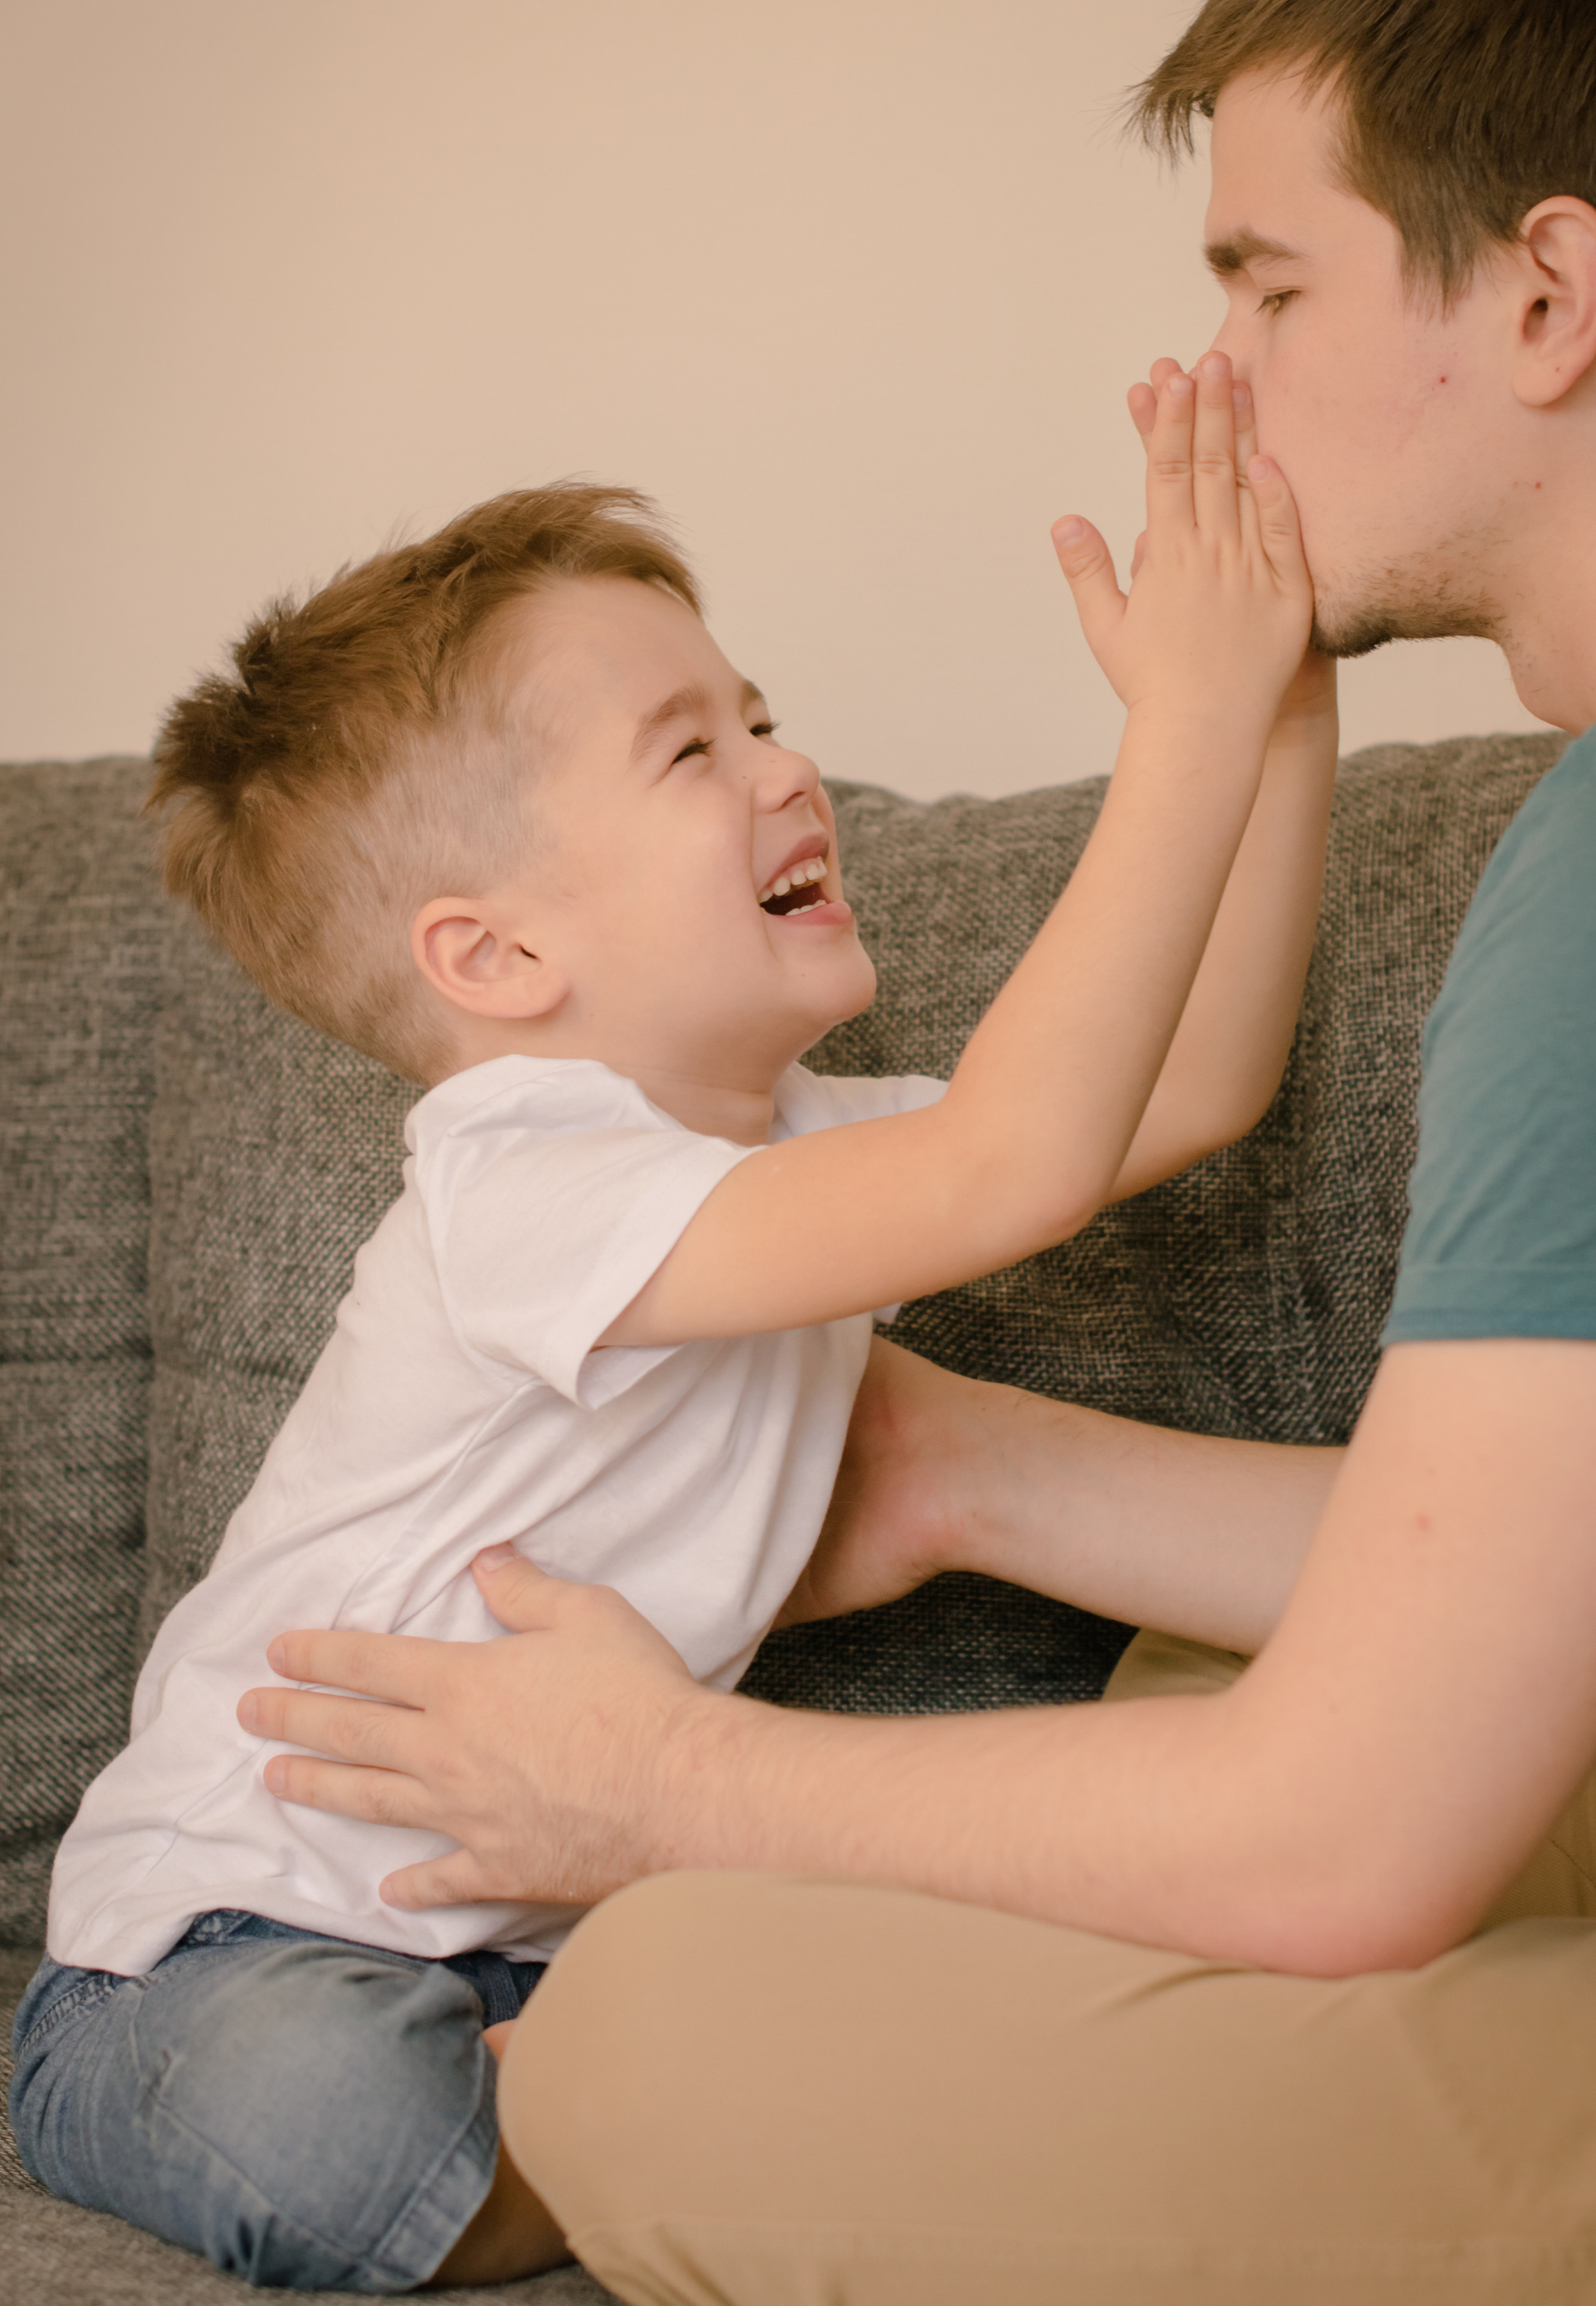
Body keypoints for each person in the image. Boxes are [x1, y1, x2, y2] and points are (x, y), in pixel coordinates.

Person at [210, 0, 1596, 2300]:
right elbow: (1507, 1554)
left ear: (1543, 294)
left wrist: (679, 1788)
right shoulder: (544, 1176)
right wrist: (973, 1466)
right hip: (253, 1920)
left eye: (1269, 291)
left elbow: (1078, 1136)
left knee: (652, 2027)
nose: (1218, 390)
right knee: (1243, 1681)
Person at [8, 421, 1334, 2294]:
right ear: (491, 959)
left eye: (760, 715)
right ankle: (588, 2130)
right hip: (217, 1954)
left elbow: (1193, 1079)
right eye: (694, 752)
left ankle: (607, 2101)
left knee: (864, 1967)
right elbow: (1013, 1165)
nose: (792, 769)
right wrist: (1180, 727)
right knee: (325, 2112)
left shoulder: (795, 1149)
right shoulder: (518, 1183)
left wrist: (1278, 715)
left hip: (545, 1938)